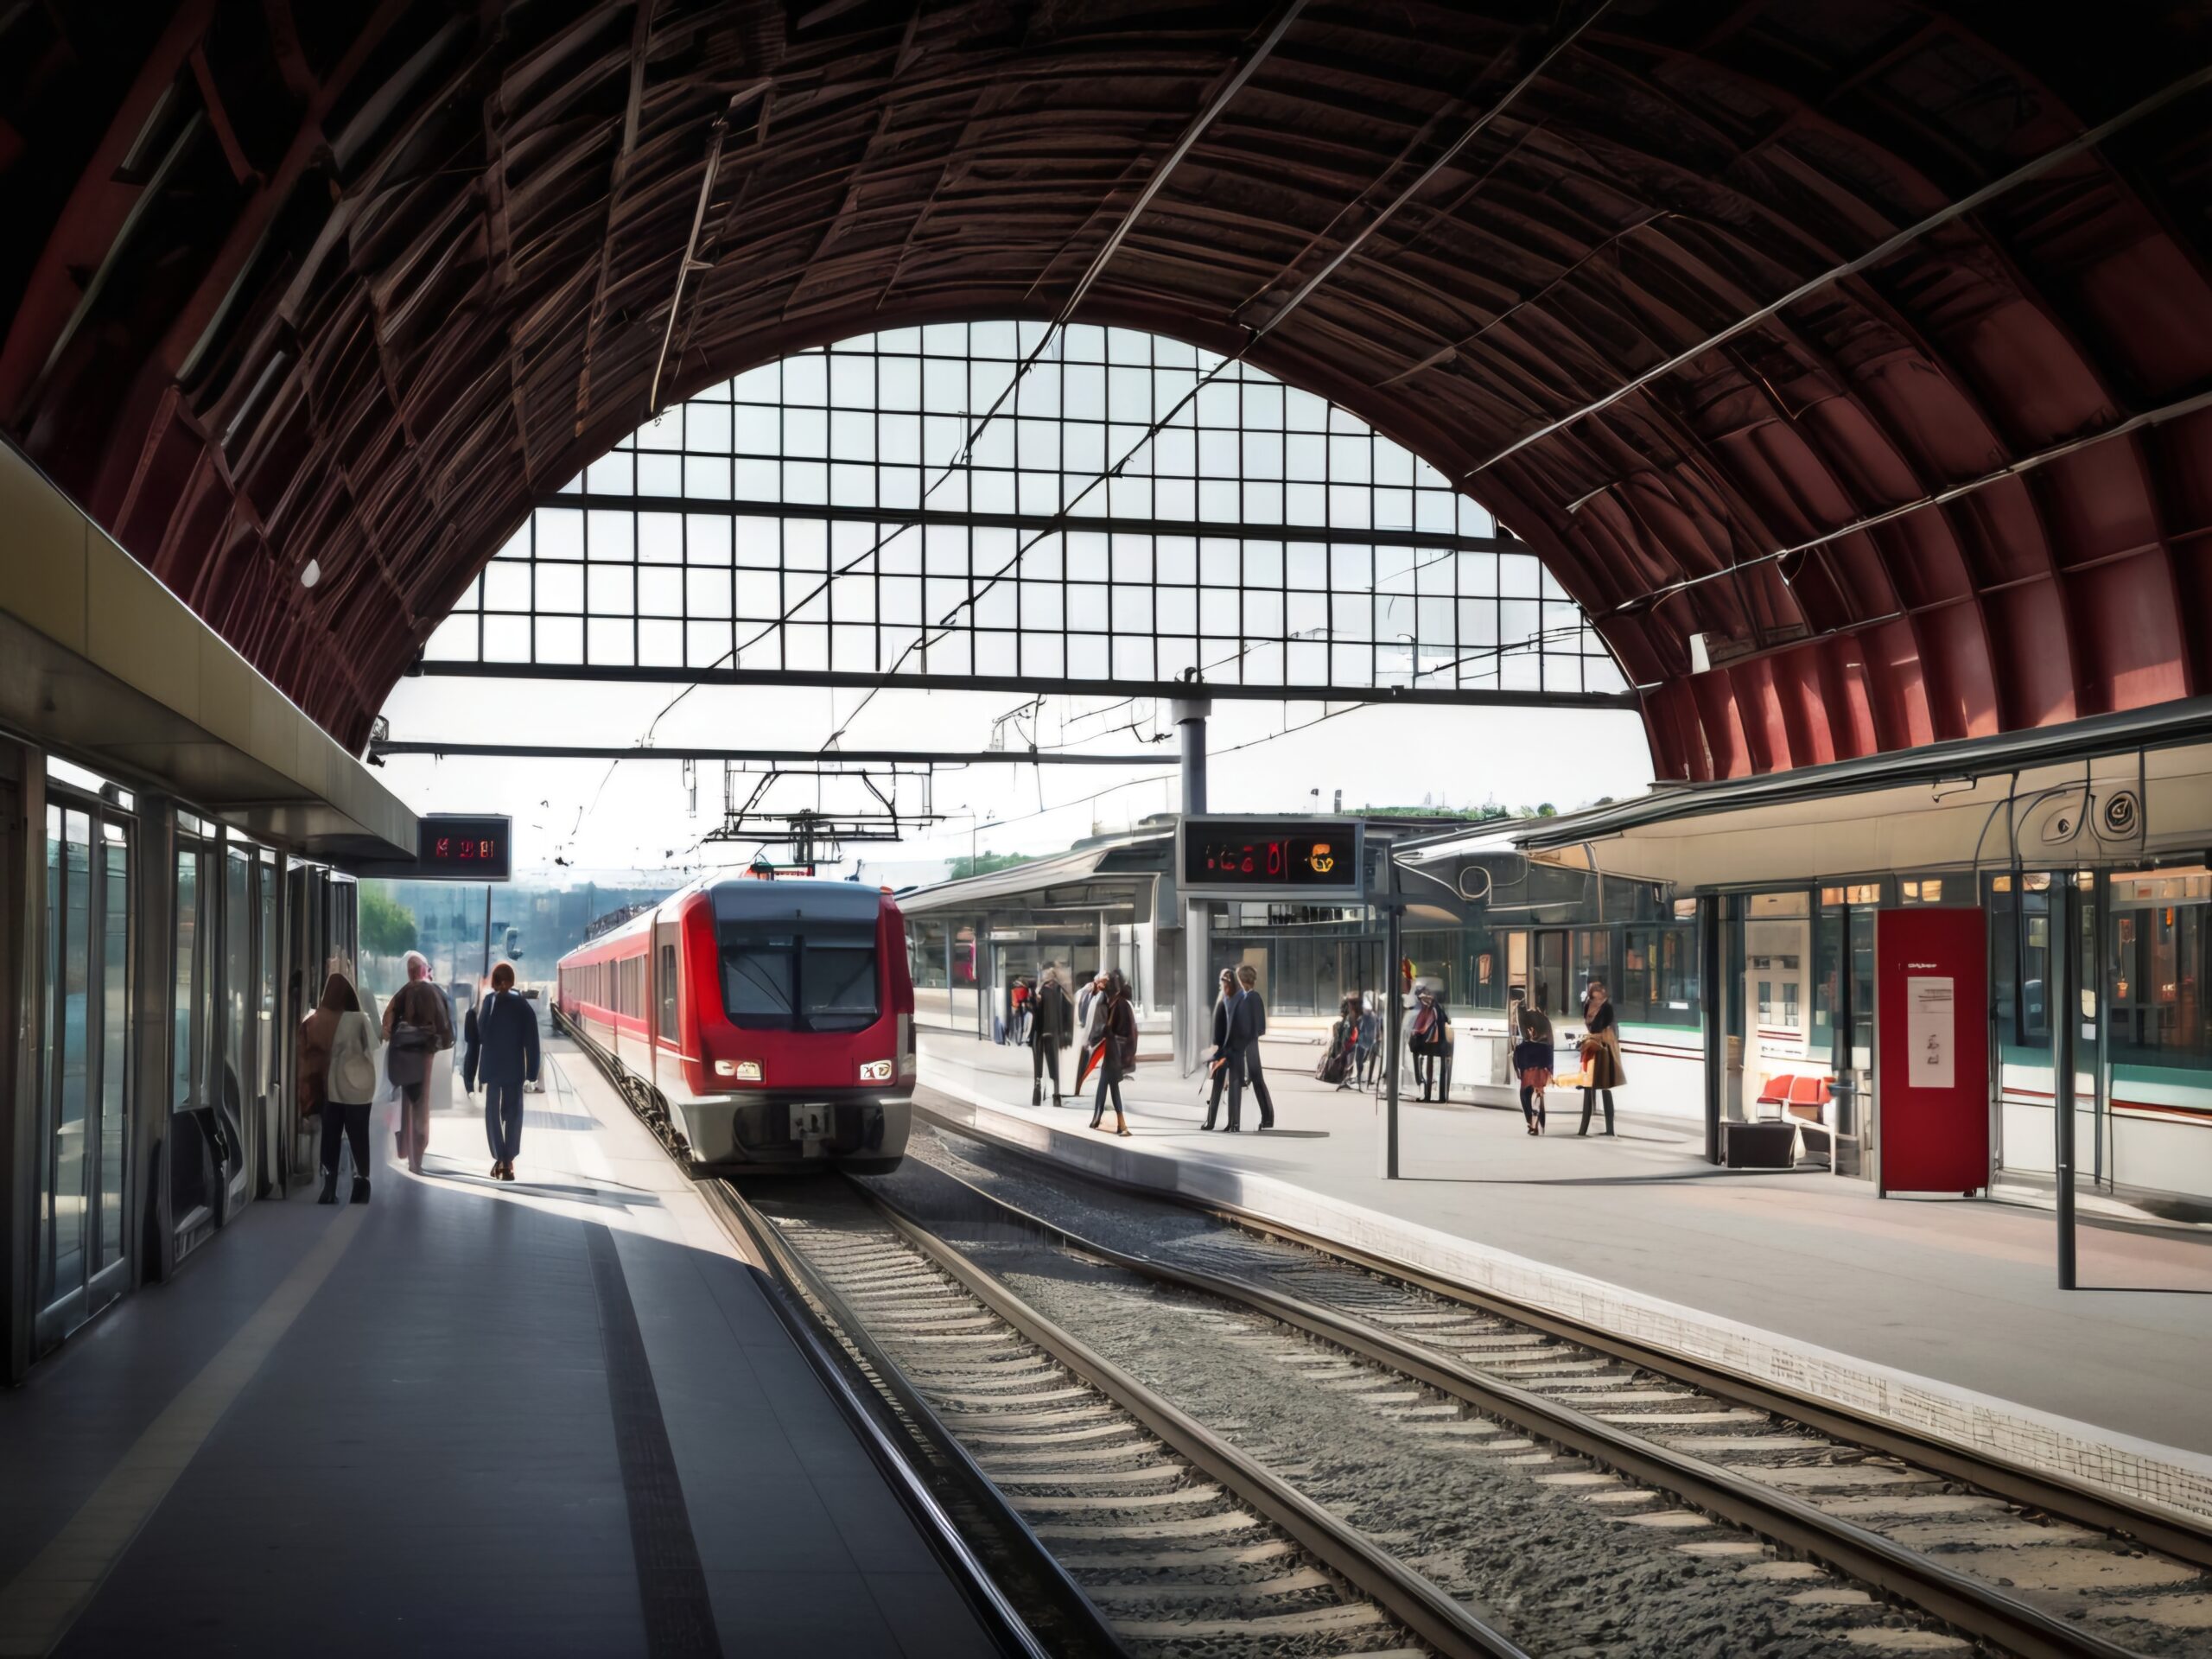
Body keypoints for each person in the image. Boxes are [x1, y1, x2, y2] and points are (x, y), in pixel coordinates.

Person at [302, 972, 379, 1204]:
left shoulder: (315, 1020)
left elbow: (308, 1053)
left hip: (332, 1086)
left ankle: (329, 1188)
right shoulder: (359, 1018)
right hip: (359, 1088)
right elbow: (374, 1045)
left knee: (331, 1137)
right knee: (359, 1136)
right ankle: (361, 1186)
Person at [463, 961, 541, 1180]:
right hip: (515, 1068)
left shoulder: (490, 1002)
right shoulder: (523, 1006)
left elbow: (482, 1033)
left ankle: (500, 1158)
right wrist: (532, 1072)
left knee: (493, 1115)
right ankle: (509, 1161)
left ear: (495, 982)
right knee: (514, 1113)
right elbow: (532, 1041)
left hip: (493, 1067)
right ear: (512, 981)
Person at [383, 950, 454, 1174]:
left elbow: (386, 1026)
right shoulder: (433, 992)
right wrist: (436, 1044)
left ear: (409, 972)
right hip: (424, 1056)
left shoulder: (401, 994)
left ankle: (405, 1151)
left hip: (401, 1055)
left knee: (405, 1102)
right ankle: (417, 1158)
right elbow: (446, 1030)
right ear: (425, 970)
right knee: (421, 1105)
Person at [1224, 963, 1275, 1131]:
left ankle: (1267, 1117)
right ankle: (1266, 1117)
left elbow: (1260, 1025)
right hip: (1244, 1043)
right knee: (1255, 1080)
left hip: (1249, 1044)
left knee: (1257, 1079)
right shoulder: (1245, 997)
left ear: (1244, 979)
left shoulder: (1253, 998)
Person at [1088, 969, 1135, 1136]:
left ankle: (1119, 1124)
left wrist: (1108, 1032)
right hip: (1112, 1052)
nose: (1101, 986)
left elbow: (1123, 1031)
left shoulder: (1119, 1004)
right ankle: (1101, 1119)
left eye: (1104, 983)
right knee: (1107, 1085)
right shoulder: (1114, 1002)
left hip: (1116, 1053)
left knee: (1110, 1086)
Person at [1577, 979, 1624, 1136]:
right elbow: (1589, 1024)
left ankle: (1610, 1129)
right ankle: (1583, 1128)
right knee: (1588, 1087)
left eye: (1598, 992)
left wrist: (1594, 1037)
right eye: (1593, 993)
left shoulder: (1607, 1008)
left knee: (1604, 1086)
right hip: (1592, 1046)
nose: (1596, 996)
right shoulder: (1587, 1005)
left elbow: (1605, 1029)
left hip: (1603, 1048)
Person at [1510, 990, 1554, 1135]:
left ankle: (1532, 1121)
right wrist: (1551, 1067)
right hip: (1544, 1060)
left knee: (1525, 1092)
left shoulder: (1524, 1013)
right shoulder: (1546, 1020)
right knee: (1538, 1089)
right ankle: (1538, 1117)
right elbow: (1551, 1043)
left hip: (1529, 1058)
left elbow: (1524, 1035)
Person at [1028, 967, 1074, 1106]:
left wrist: (1034, 999)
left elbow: (1036, 1013)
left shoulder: (1041, 992)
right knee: (1054, 1065)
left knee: (1038, 1065)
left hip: (1041, 1033)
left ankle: (1037, 1094)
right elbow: (1068, 1014)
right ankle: (1056, 1096)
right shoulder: (1062, 994)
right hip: (1054, 1033)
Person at [1200, 969, 1239, 1130]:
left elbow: (1219, 1031)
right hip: (1229, 1050)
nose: (1225, 984)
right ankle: (1229, 1123)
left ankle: (1216, 1122)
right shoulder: (1233, 1001)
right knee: (1226, 1088)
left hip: (1226, 1051)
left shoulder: (1225, 1001)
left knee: (1221, 1087)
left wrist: (1215, 1053)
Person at [1408, 986, 1445, 1101]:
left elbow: (1425, 1025)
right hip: (1432, 1042)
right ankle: (1429, 1092)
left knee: (1427, 1066)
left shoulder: (1431, 1009)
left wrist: (1416, 1031)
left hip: (1431, 1042)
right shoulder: (1431, 1008)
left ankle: (1427, 1093)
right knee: (1427, 1065)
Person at [1319, 993, 1360, 1088]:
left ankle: (1345, 1074)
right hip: (1346, 1045)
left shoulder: (1350, 1019)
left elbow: (1351, 1036)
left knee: (1346, 1055)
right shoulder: (1347, 1020)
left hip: (1348, 1045)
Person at [1355, 994, 1381, 1088]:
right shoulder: (1363, 1018)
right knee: (1359, 1060)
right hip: (1362, 1042)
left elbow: (1373, 1031)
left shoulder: (1372, 1018)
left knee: (1365, 1061)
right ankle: (1360, 1077)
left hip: (1368, 1042)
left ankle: (1365, 1079)